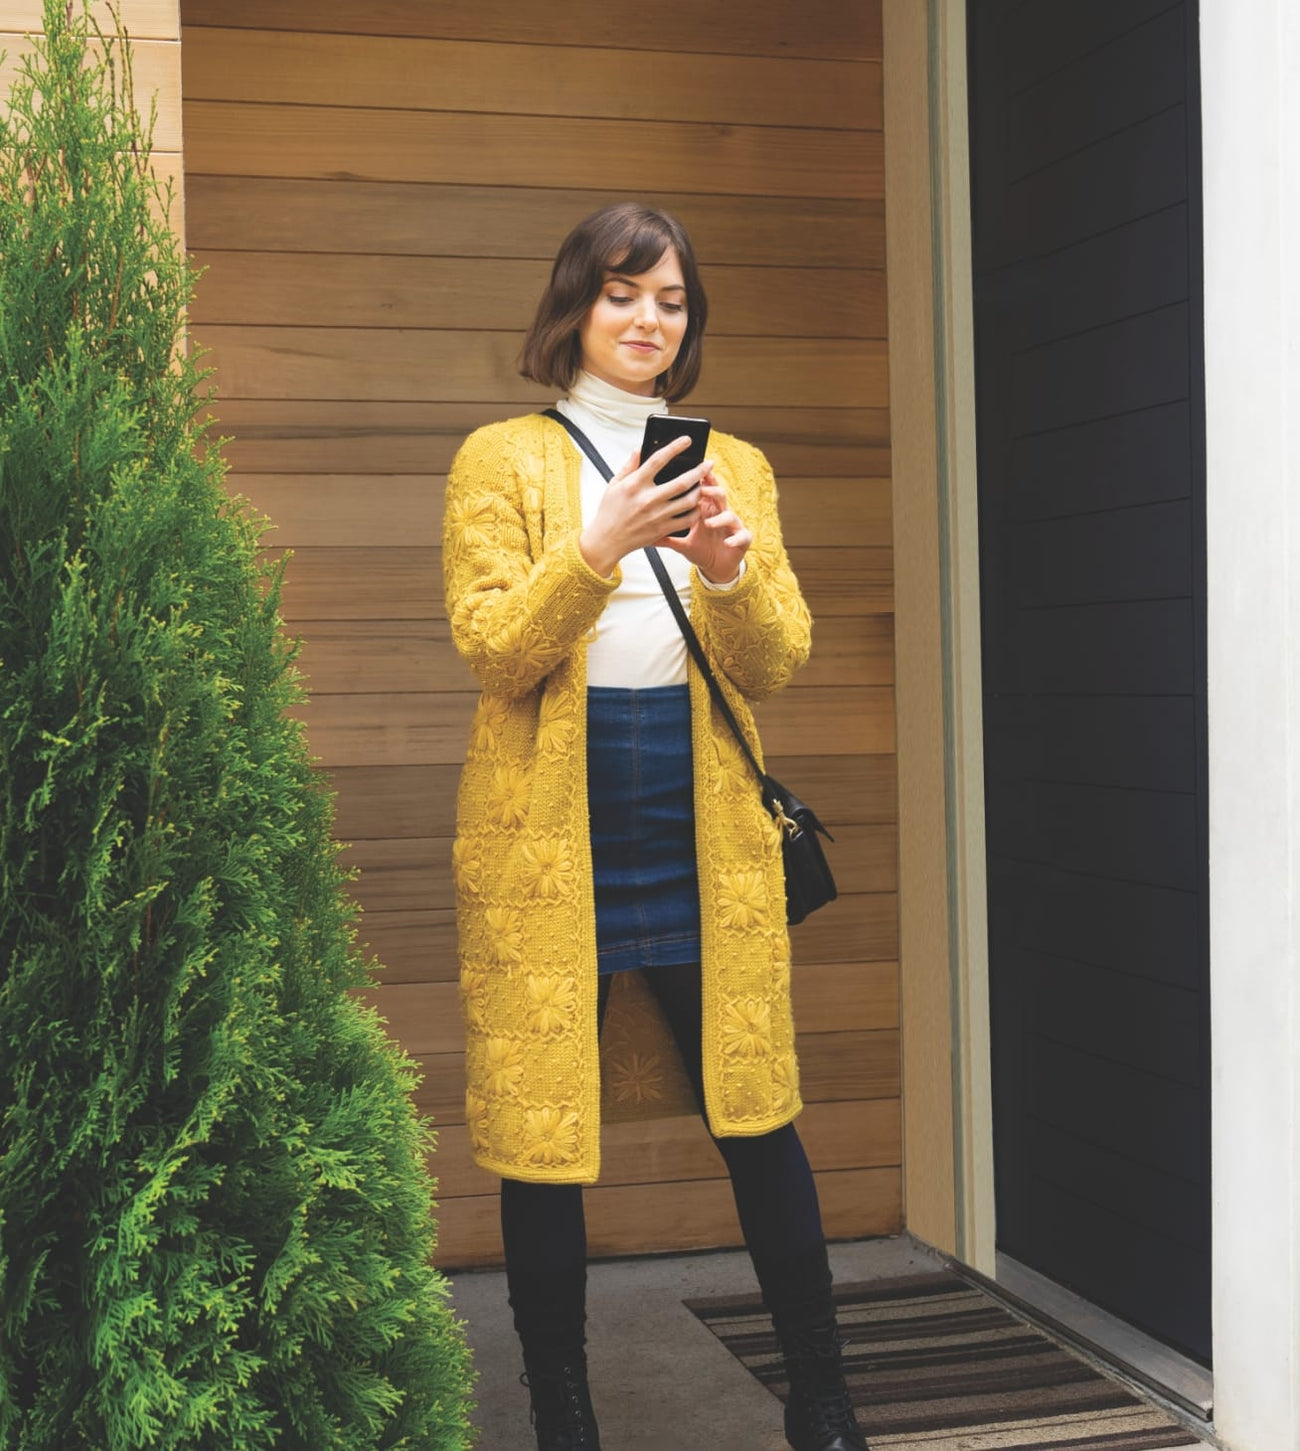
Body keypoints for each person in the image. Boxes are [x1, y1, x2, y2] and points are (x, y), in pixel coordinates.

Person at [442, 202, 869, 1451]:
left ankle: (823, 1396)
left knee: (760, 1113)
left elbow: (777, 657)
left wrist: (729, 569)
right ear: (575, 303)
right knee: (543, 1133)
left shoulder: (732, 458)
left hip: (701, 824)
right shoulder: (501, 457)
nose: (648, 319)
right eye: (624, 292)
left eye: (672, 299)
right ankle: (564, 1415)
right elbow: (493, 648)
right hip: (548, 832)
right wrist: (596, 547)